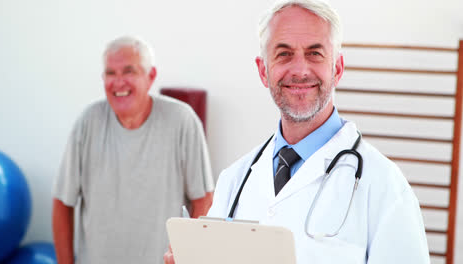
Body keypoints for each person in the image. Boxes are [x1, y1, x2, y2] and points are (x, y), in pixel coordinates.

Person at [164, 0, 430, 263]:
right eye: (284, 54)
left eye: (315, 53)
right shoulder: (234, 181)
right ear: (263, 71)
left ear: (336, 69)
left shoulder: (385, 187)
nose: (300, 70)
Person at [52, 36, 214, 264]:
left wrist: (187, 258)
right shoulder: (88, 122)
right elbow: (62, 203)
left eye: (129, 71)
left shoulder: (182, 120)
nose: (118, 83)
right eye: (110, 73)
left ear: (151, 77)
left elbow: (204, 201)